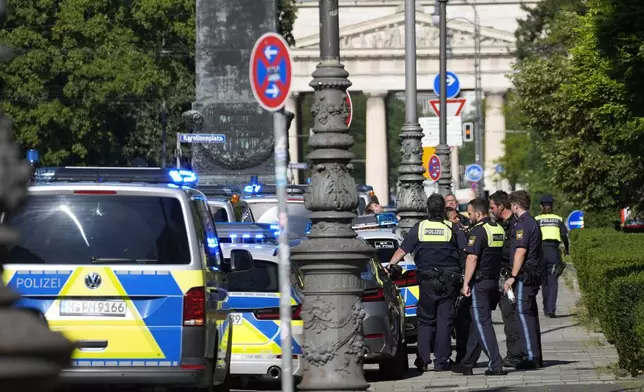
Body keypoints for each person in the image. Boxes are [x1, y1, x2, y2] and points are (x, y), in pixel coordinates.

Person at [386, 194, 465, 372]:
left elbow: (401, 251)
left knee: (425, 321)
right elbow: (465, 253)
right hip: (449, 281)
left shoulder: (419, 228)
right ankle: (442, 361)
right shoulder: (453, 228)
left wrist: (390, 266)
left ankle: (422, 360)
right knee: (445, 321)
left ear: (428, 209)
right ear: (443, 209)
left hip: (427, 281)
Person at [452, 198, 507, 376]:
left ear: (478, 213)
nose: (469, 216)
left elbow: (472, 258)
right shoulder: (497, 229)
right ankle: (467, 362)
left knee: (482, 323)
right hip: (494, 283)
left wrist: (466, 283)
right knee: (478, 323)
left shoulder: (478, 232)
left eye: (470, 213)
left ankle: (495, 363)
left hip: (480, 284)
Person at [504, 190, 543, 370]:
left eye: (511, 205)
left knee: (523, 314)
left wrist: (512, 276)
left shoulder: (523, 224)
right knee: (530, 315)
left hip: (525, 276)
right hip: (531, 275)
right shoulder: (530, 222)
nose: (511, 208)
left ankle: (530, 357)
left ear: (516, 205)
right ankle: (535, 355)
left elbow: (521, 251)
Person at [489, 191, 524, 367]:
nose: (491, 210)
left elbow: (512, 252)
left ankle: (516, 354)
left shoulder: (513, 225)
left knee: (510, 316)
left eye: (493, 207)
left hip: (510, 278)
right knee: (508, 315)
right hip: (504, 276)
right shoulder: (502, 224)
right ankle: (516, 353)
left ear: (502, 206)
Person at [535, 195, 569, 318]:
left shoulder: (537, 219)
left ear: (541, 206)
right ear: (552, 206)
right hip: (554, 252)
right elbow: (564, 235)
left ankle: (545, 308)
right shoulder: (558, 219)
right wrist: (567, 248)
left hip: (541, 253)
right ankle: (551, 309)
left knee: (544, 281)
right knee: (553, 281)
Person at [446, 206, 471, 364]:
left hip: (445, 280)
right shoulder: (457, 232)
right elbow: (465, 253)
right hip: (458, 279)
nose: (458, 220)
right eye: (455, 218)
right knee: (462, 320)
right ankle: (462, 355)